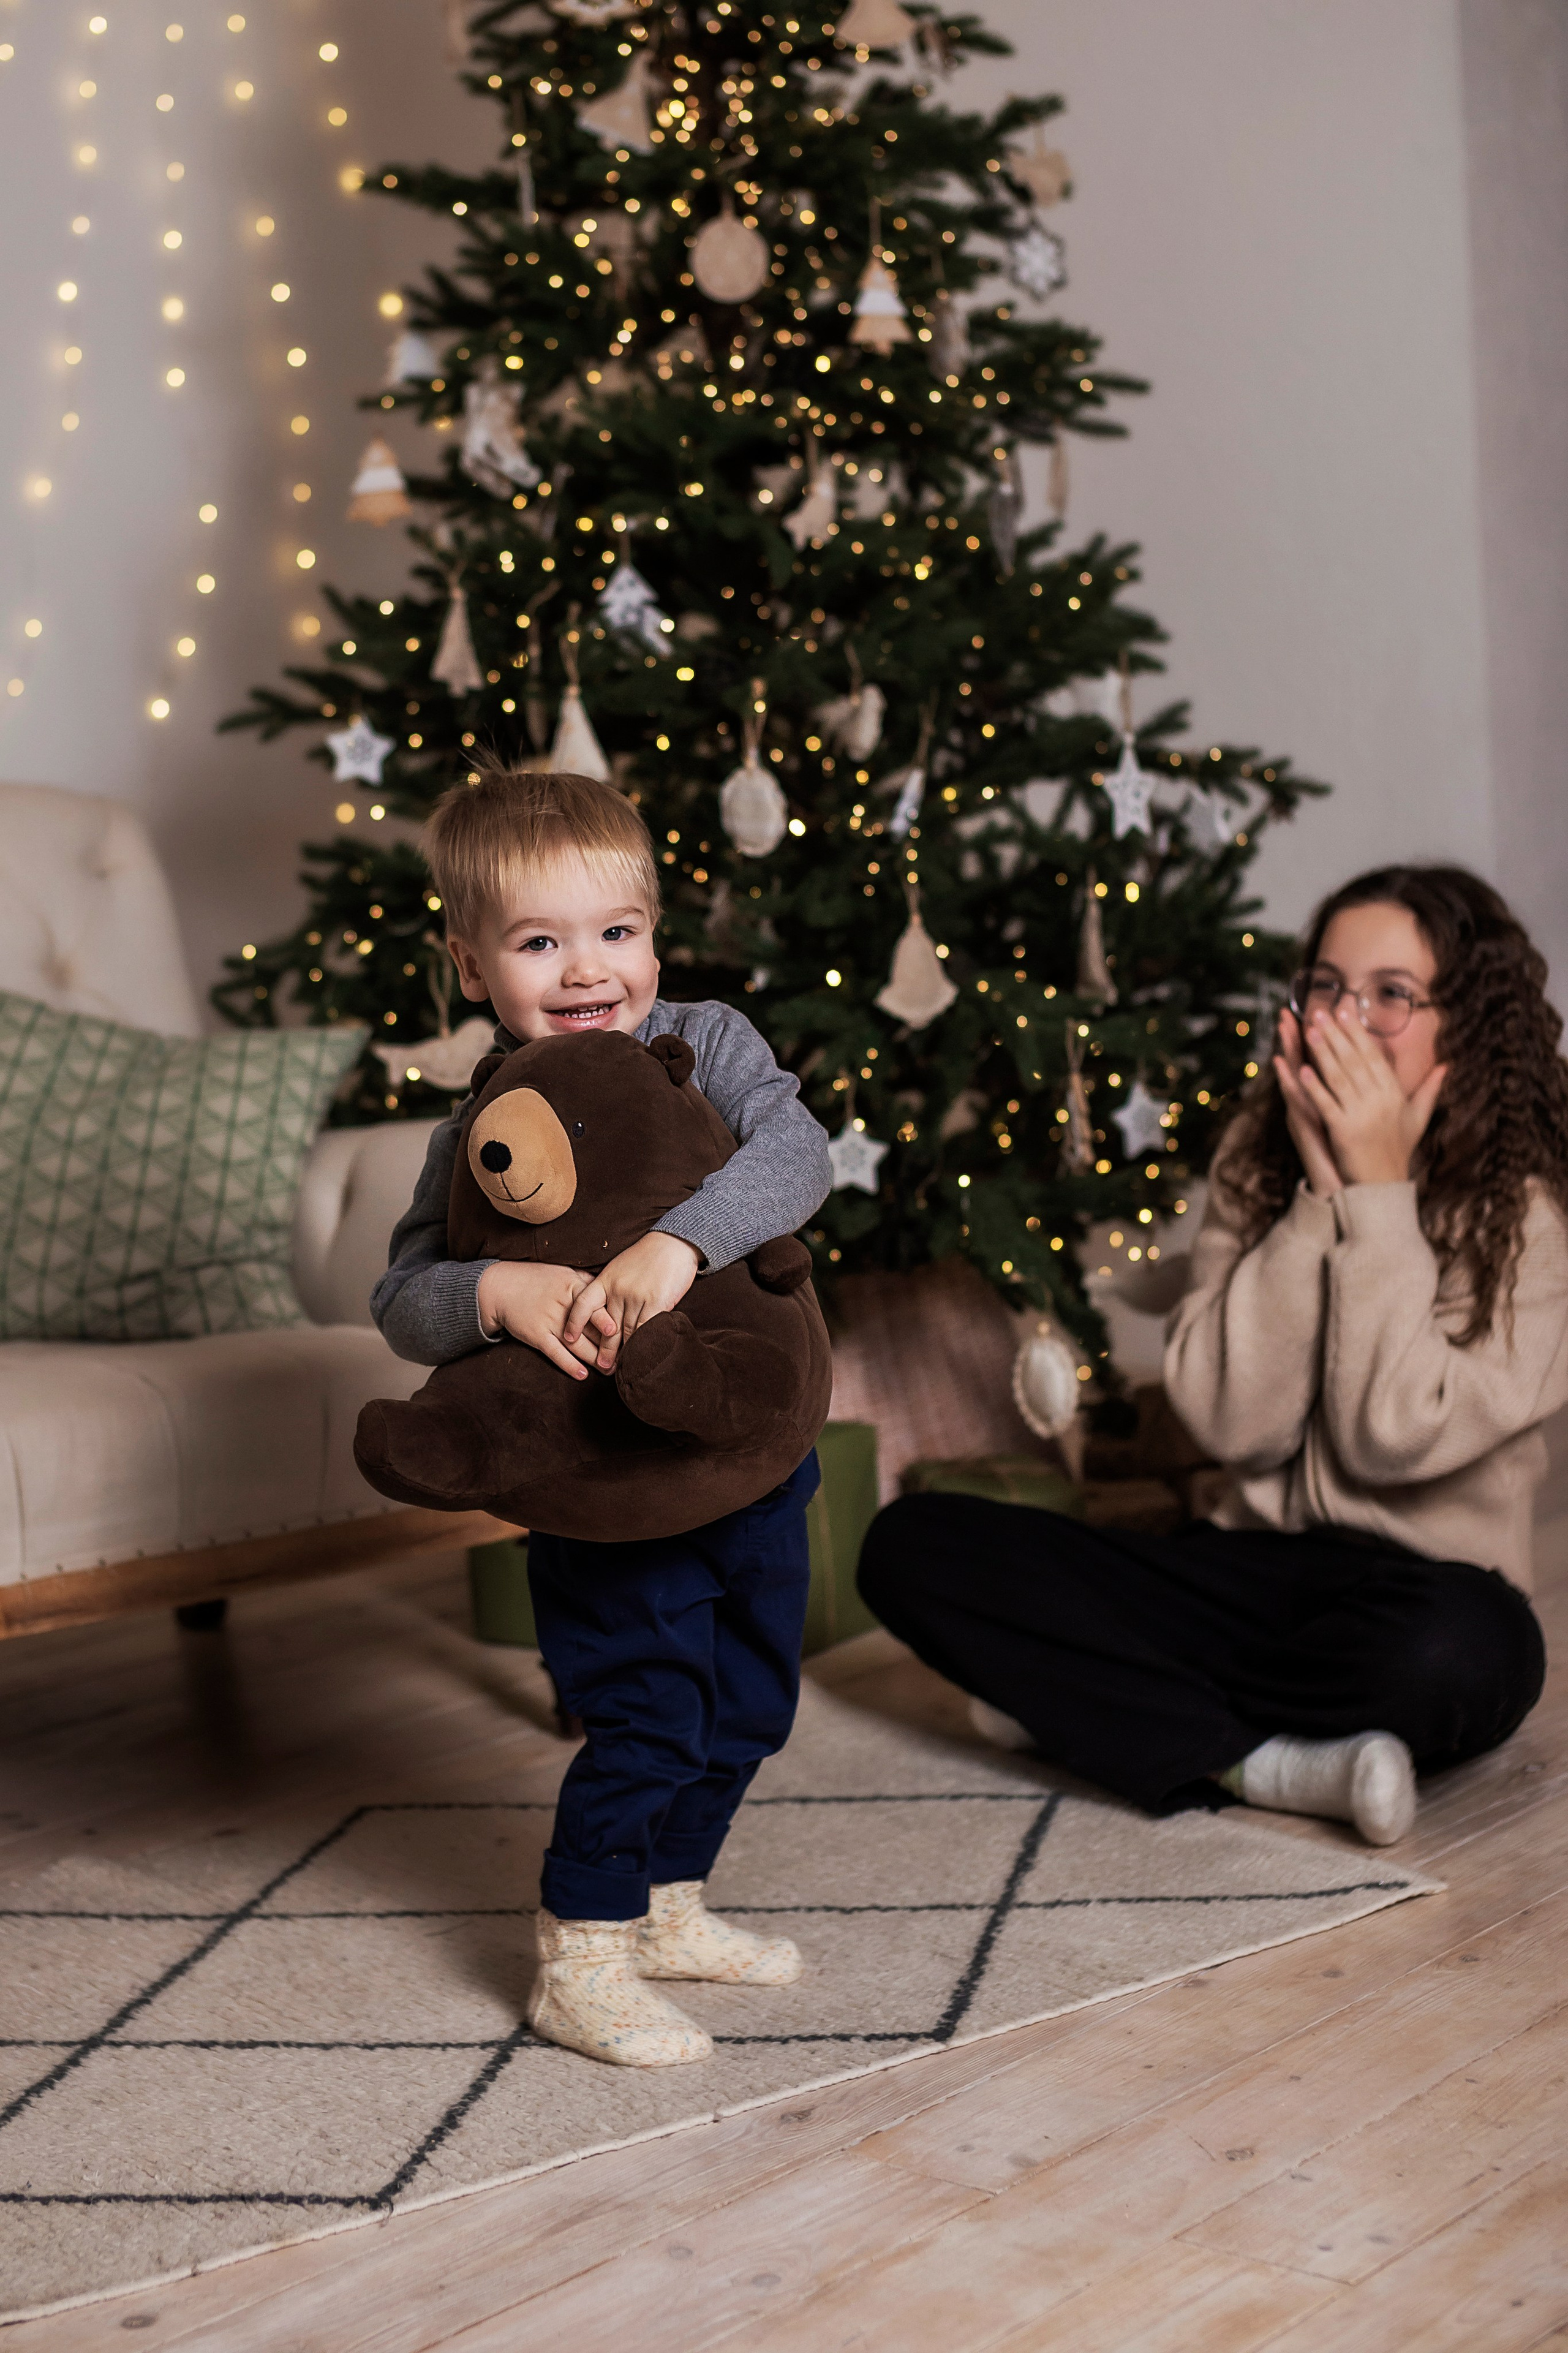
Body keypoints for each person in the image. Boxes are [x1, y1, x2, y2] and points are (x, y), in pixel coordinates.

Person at [859, 866, 1567, 1845]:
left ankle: (1086, 1703)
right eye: (1326, 987)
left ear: (1469, 1027)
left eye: (1392, 995)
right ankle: (1264, 1761)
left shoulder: (1529, 1218)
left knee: (1472, 1654)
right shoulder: (1258, 1155)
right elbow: (1235, 1423)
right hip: (1238, 1571)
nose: (1345, 1021)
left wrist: (1376, 1199)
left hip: (1419, 1592)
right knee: (911, 1544)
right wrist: (1319, 1200)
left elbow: (1392, 1437)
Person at [372, 768, 831, 2066]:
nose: (587, 970)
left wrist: (680, 1244)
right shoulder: (485, 1123)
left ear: (655, 936)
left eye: (616, 931)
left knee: (751, 1702)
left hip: (745, 1456)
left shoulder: (709, 1044)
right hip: (607, 1488)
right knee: (647, 1714)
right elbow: (401, 1299)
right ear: (471, 964)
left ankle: (667, 1903)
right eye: (539, 942)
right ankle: (581, 1950)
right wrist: (497, 1293)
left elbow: (798, 1157)